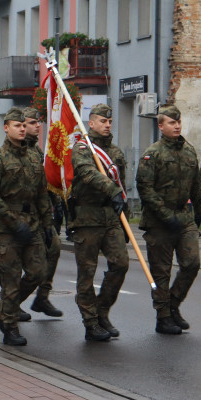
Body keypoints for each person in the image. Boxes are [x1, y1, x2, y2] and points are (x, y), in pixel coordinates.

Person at [0, 107, 53, 347]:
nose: (22, 129)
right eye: (17, 125)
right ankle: (9, 326)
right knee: (10, 281)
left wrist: (47, 225)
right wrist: (13, 222)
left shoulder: (34, 156)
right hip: (6, 227)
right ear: (6, 128)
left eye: (24, 126)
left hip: (31, 224)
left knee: (38, 273)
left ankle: (4, 309)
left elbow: (42, 193)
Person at [136, 104, 201, 335]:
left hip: (184, 217)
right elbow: (145, 188)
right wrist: (165, 215)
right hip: (159, 221)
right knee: (161, 272)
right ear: (161, 125)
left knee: (192, 263)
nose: (177, 126)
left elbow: (196, 183)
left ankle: (173, 303)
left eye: (178, 121)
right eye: (172, 123)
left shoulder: (189, 150)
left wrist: (199, 211)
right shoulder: (152, 153)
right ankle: (163, 316)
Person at [67, 103, 128, 341]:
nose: (107, 125)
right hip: (87, 218)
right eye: (102, 121)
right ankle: (90, 322)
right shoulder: (82, 149)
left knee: (121, 264)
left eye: (110, 121)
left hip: (111, 218)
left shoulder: (116, 152)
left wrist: (122, 206)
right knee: (87, 273)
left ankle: (102, 311)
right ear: (91, 123)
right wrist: (111, 189)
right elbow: (87, 173)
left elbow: (121, 186)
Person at [23, 107, 62, 318]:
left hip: (43, 214)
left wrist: (56, 203)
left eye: (38, 122)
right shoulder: (19, 151)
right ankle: (10, 303)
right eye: (32, 122)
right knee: (21, 263)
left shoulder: (38, 151)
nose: (37, 125)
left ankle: (42, 297)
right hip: (23, 216)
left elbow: (45, 183)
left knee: (54, 248)